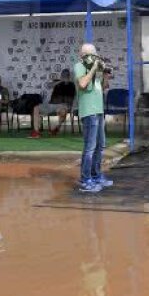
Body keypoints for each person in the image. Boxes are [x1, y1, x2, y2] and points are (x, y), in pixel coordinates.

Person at [74, 42, 112, 193]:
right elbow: (83, 83)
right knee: (90, 147)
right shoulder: (79, 66)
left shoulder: (94, 70)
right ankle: (85, 179)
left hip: (98, 111)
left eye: (94, 54)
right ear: (82, 55)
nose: (92, 57)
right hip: (88, 112)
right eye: (89, 54)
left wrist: (105, 75)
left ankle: (96, 176)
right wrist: (94, 69)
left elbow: (102, 88)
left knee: (100, 146)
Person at [31, 69, 78, 137]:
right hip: (51, 104)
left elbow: (71, 99)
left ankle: (55, 129)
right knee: (36, 108)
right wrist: (60, 81)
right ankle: (36, 132)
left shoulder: (72, 85)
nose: (65, 77)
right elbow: (49, 86)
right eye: (63, 75)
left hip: (63, 105)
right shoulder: (57, 82)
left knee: (63, 111)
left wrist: (68, 82)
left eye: (66, 75)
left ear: (69, 76)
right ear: (61, 75)